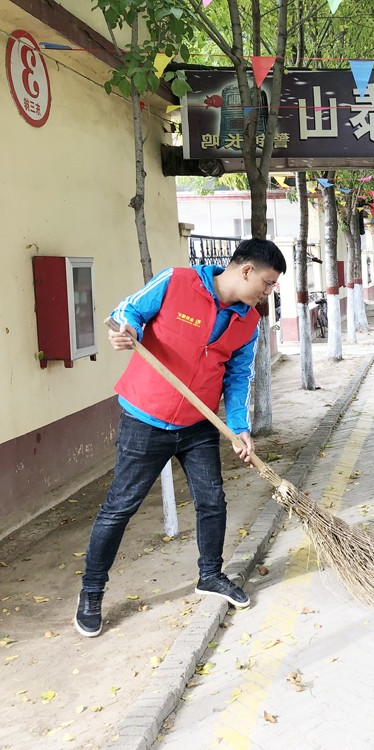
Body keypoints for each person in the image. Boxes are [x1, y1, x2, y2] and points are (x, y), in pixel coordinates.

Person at [74, 239, 286, 637]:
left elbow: (238, 377)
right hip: (145, 420)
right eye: (268, 282)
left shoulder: (247, 322)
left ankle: (210, 575)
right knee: (120, 507)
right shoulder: (176, 282)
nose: (268, 291)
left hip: (198, 424)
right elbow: (129, 310)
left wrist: (238, 426)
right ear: (246, 271)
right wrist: (127, 330)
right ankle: (91, 593)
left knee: (212, 500)